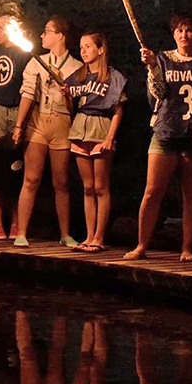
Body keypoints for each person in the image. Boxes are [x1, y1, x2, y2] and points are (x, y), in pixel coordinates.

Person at [124, 13, 192, 261]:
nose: (184, 35)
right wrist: (152, 68)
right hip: (166, 131)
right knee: (152, 190)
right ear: (173, 34)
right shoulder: (163, 59)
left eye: (189, 30)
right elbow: (158, 94)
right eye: (179, 31)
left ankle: (187, 248)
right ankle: (141, 245)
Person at [10, 16, 83, 247]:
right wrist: (19, 125)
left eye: (47, 31)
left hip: (62, 124)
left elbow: (75, 107)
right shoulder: (35, 62)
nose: (42, 36)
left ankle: (65, 234)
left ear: (60, 35)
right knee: (31, 178)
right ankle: (21, 233)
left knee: (61, 181)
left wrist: (68, 92)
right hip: (38, 122)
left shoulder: (77, 67)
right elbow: (28, 94)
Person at [65, 31, 126, 253]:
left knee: (101, 187)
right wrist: (66, 95)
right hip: (80, 128)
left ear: (100, 49)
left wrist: (110, 137)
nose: (83, 51)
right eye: (81, 46)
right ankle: (89, 236)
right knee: (88, 187)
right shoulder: (78, 76)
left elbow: (118, 109)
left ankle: (100, 236)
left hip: (101, 128)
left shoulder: (112, 76)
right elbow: (72, 107)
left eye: (88, 46)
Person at [0, 10, 32, 240]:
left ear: (12, 28)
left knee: (15, 169)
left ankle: (15, 222)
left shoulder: (24, 52)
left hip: (16, 112)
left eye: (0, 28)